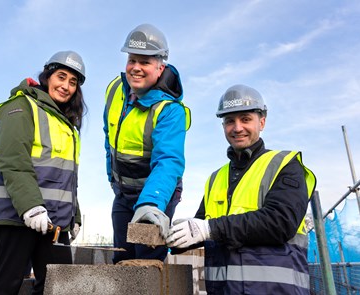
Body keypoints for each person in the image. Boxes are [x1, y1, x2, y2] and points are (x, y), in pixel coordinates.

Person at [166, 84, 316, 294]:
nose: (237, 128)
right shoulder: (216, 179)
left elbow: (280, 222)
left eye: (245, 119)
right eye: (229, 121)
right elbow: (200, 228)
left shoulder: (285, 165)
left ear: (261, 122)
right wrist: (171, 234)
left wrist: (208, 229)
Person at [0, 50, 86, 294]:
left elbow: (66, 177)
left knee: (59, 287)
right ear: (47, 76)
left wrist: (74, 215)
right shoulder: (21, 105)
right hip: (16, 217)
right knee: (5, 286)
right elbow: (13, 159)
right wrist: (30, 207)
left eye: (73, 82)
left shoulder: (66, 124)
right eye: (61, 76)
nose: (66, 86)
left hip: (54, 222)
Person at [103, 23, 190, 263]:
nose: (136, 68)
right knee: (121, 259)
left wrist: (151, 203)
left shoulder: (170, 110)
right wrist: (113, 180)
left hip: (156, 193)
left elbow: (168, 161)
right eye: (132, 60)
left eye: (145, 62)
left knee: (146, 262)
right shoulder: (114, 91)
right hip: (123, 192)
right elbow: (109, 138)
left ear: (160, 68)